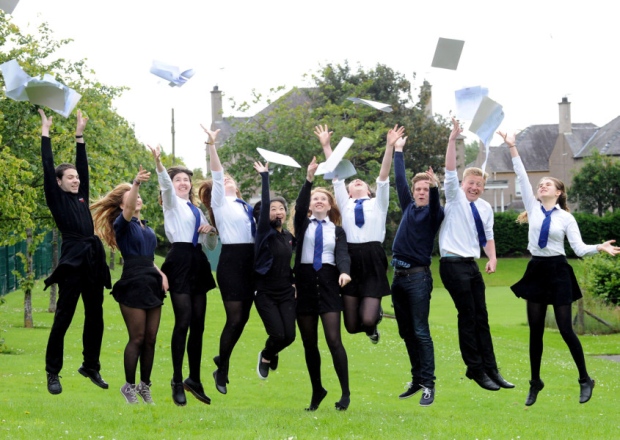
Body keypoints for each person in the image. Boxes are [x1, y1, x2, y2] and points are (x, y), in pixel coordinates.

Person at [499, 130, 620, 406]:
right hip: (536, 270)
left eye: (547, 184)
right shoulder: (532, 206)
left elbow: (577, 249)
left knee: (566, 329)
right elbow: (519, 174)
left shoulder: (567, 218)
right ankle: (535, 382)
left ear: (559, 191)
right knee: (536, 331)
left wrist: (598, 247)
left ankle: (584, 379)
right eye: (540, 184)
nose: (541, 186)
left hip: (558, 271)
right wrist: (513, 147)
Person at [438, 117, 513, 392]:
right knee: (467, 315)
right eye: (470, 183)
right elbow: (448, 170)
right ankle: (475, 369)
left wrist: (492, 258)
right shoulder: (455, 197)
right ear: (463, 183)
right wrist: (452, 139)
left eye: (479, 185)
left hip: (471, 265)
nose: (474, 187)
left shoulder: (485, 208)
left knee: (481, 316)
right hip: (452, 264)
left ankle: (492, 369)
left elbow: (488, 236)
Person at [40, 109, 111, 395]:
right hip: (72, 263)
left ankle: (90, 365)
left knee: (96, 316)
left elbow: (84, 168)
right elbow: (47, 166)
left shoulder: (82, 196)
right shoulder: (56, 198)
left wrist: (79, 136)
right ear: (59, 182)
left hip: (92, 261)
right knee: (64, 318)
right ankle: (52, 373)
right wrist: (45, 133)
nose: (76, 180)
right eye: (70, 177)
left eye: (76, 177)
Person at [90, 166, 168, 404]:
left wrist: (161, 273)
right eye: (133, 198)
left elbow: (148, 257)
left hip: (151, 281)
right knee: (138, 337)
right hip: (133, 283)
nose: (138, 199)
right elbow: (135, 255)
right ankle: (129, 386)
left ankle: (145, 386)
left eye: (138, 196)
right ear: (123, 205)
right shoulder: (122, 224)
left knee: (151, 339)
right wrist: (135, 183)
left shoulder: (147, 226)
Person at [314, 125, 398, 344]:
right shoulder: (345, 203)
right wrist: (326, 145)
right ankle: (366, 319)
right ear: (349, 192)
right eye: (353, 182)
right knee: (351, 327)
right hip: (349, 259)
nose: (357, 181)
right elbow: (336, 174)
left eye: (362, 182)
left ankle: (374, 321)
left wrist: (389, 147)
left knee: (368, 319)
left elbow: (383, 175)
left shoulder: (378, 204)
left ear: (369, 191)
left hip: (372, 257)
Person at [150, 144, 218, 406]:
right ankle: (176, 380)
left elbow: (210, 246)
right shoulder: (171, 204)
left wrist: (210, 230)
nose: (182, 183)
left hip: (198, 261)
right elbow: (165, 187)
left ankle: (194, 379)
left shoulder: (196, 210)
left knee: (198, 325)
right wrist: (159, 165)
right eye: (178, 179)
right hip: (178, 261)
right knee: (184, 321)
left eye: (186, 180)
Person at [199, 126, 256, 396]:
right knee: (234, 318)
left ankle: (222, 360)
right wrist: (212, 145)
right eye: (226, 180)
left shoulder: (246, 208)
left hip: (251, 261)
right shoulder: (220, 202)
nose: (228, 180)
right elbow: (218, 175)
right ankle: (222, 370)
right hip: (232, 260)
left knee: (243, 318)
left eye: (233, 179)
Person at [390, 131, 445, 406]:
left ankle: (429, 385)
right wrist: (398, 150)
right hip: (397, 278)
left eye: (426, 189)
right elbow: (399, 180)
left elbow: (436, 202)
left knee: (421, 331)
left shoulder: (434, 212)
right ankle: (416, 378)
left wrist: (435, 186)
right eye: (419, 189)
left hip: (418, 279)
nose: (421, 192)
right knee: (406, 332)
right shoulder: (408, 206)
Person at [293, 157, 352, 411]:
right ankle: (317, 390)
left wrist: (345, 272)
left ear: (329, 206)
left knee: (333, 340)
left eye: (323, 199)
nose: (318, 201)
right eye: (314, 199)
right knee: (309, 343)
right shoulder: (302, 224)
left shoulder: (336, 230)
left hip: (328, 283)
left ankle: (345, 393)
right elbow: (297, 207)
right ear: (310, 206)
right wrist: (309, 179)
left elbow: (342, 255)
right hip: (304, 283)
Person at [252, 161, 296, 380]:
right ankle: (266, 356)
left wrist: (294, 282)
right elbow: (265, 205)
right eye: (273, 208)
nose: (278, 211)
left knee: (289, 336)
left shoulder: (288, 237)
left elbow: (289, 264)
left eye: (281, 208)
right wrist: (265, 177)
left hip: (286, 292)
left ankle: (273, 350)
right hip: (265, 292)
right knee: (277, 333)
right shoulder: (263, 233)